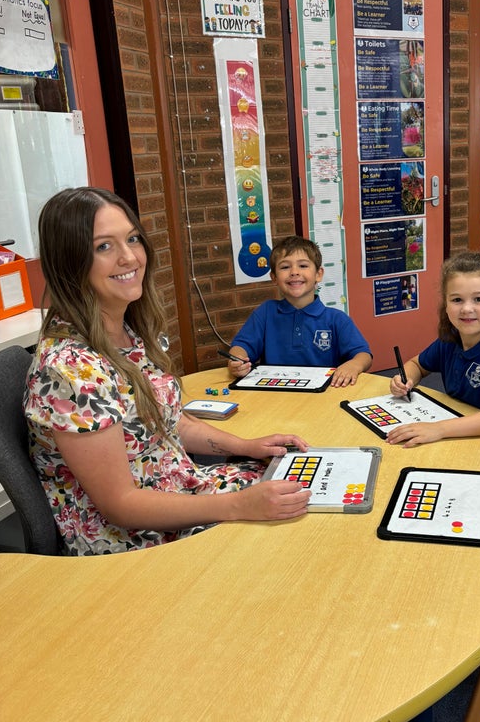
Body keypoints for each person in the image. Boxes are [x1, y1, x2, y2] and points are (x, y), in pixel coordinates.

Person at [24, 187, 311, 556]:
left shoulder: (127, 332)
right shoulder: (70, 371)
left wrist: (246, 447)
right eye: (103, 247)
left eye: (132, 239)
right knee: (294, 538)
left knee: (303, 487)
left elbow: (167, 423)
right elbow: (121, 505)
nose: (129, 257)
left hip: (180, 488)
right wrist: (240, 505)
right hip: (131, 539)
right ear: (69, 262)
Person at [388, 251, 480, 446]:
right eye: (457, 300)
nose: (466, 309)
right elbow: (417, 365)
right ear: (446, 304)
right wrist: (405, 380)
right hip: (461, 433)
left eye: (479, 299)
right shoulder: (449, 341)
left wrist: (439, 429)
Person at [228, 235, 372, 387]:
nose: (294, 272)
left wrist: (354, 365)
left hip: (323, 397)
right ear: (274, 277)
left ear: (318, 274)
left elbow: (363, 355)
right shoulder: (265, 312)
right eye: (285, 267)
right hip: (274, 395)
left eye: (303, 266)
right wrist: (237, 359)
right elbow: (241, 346)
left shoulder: (336, 319)